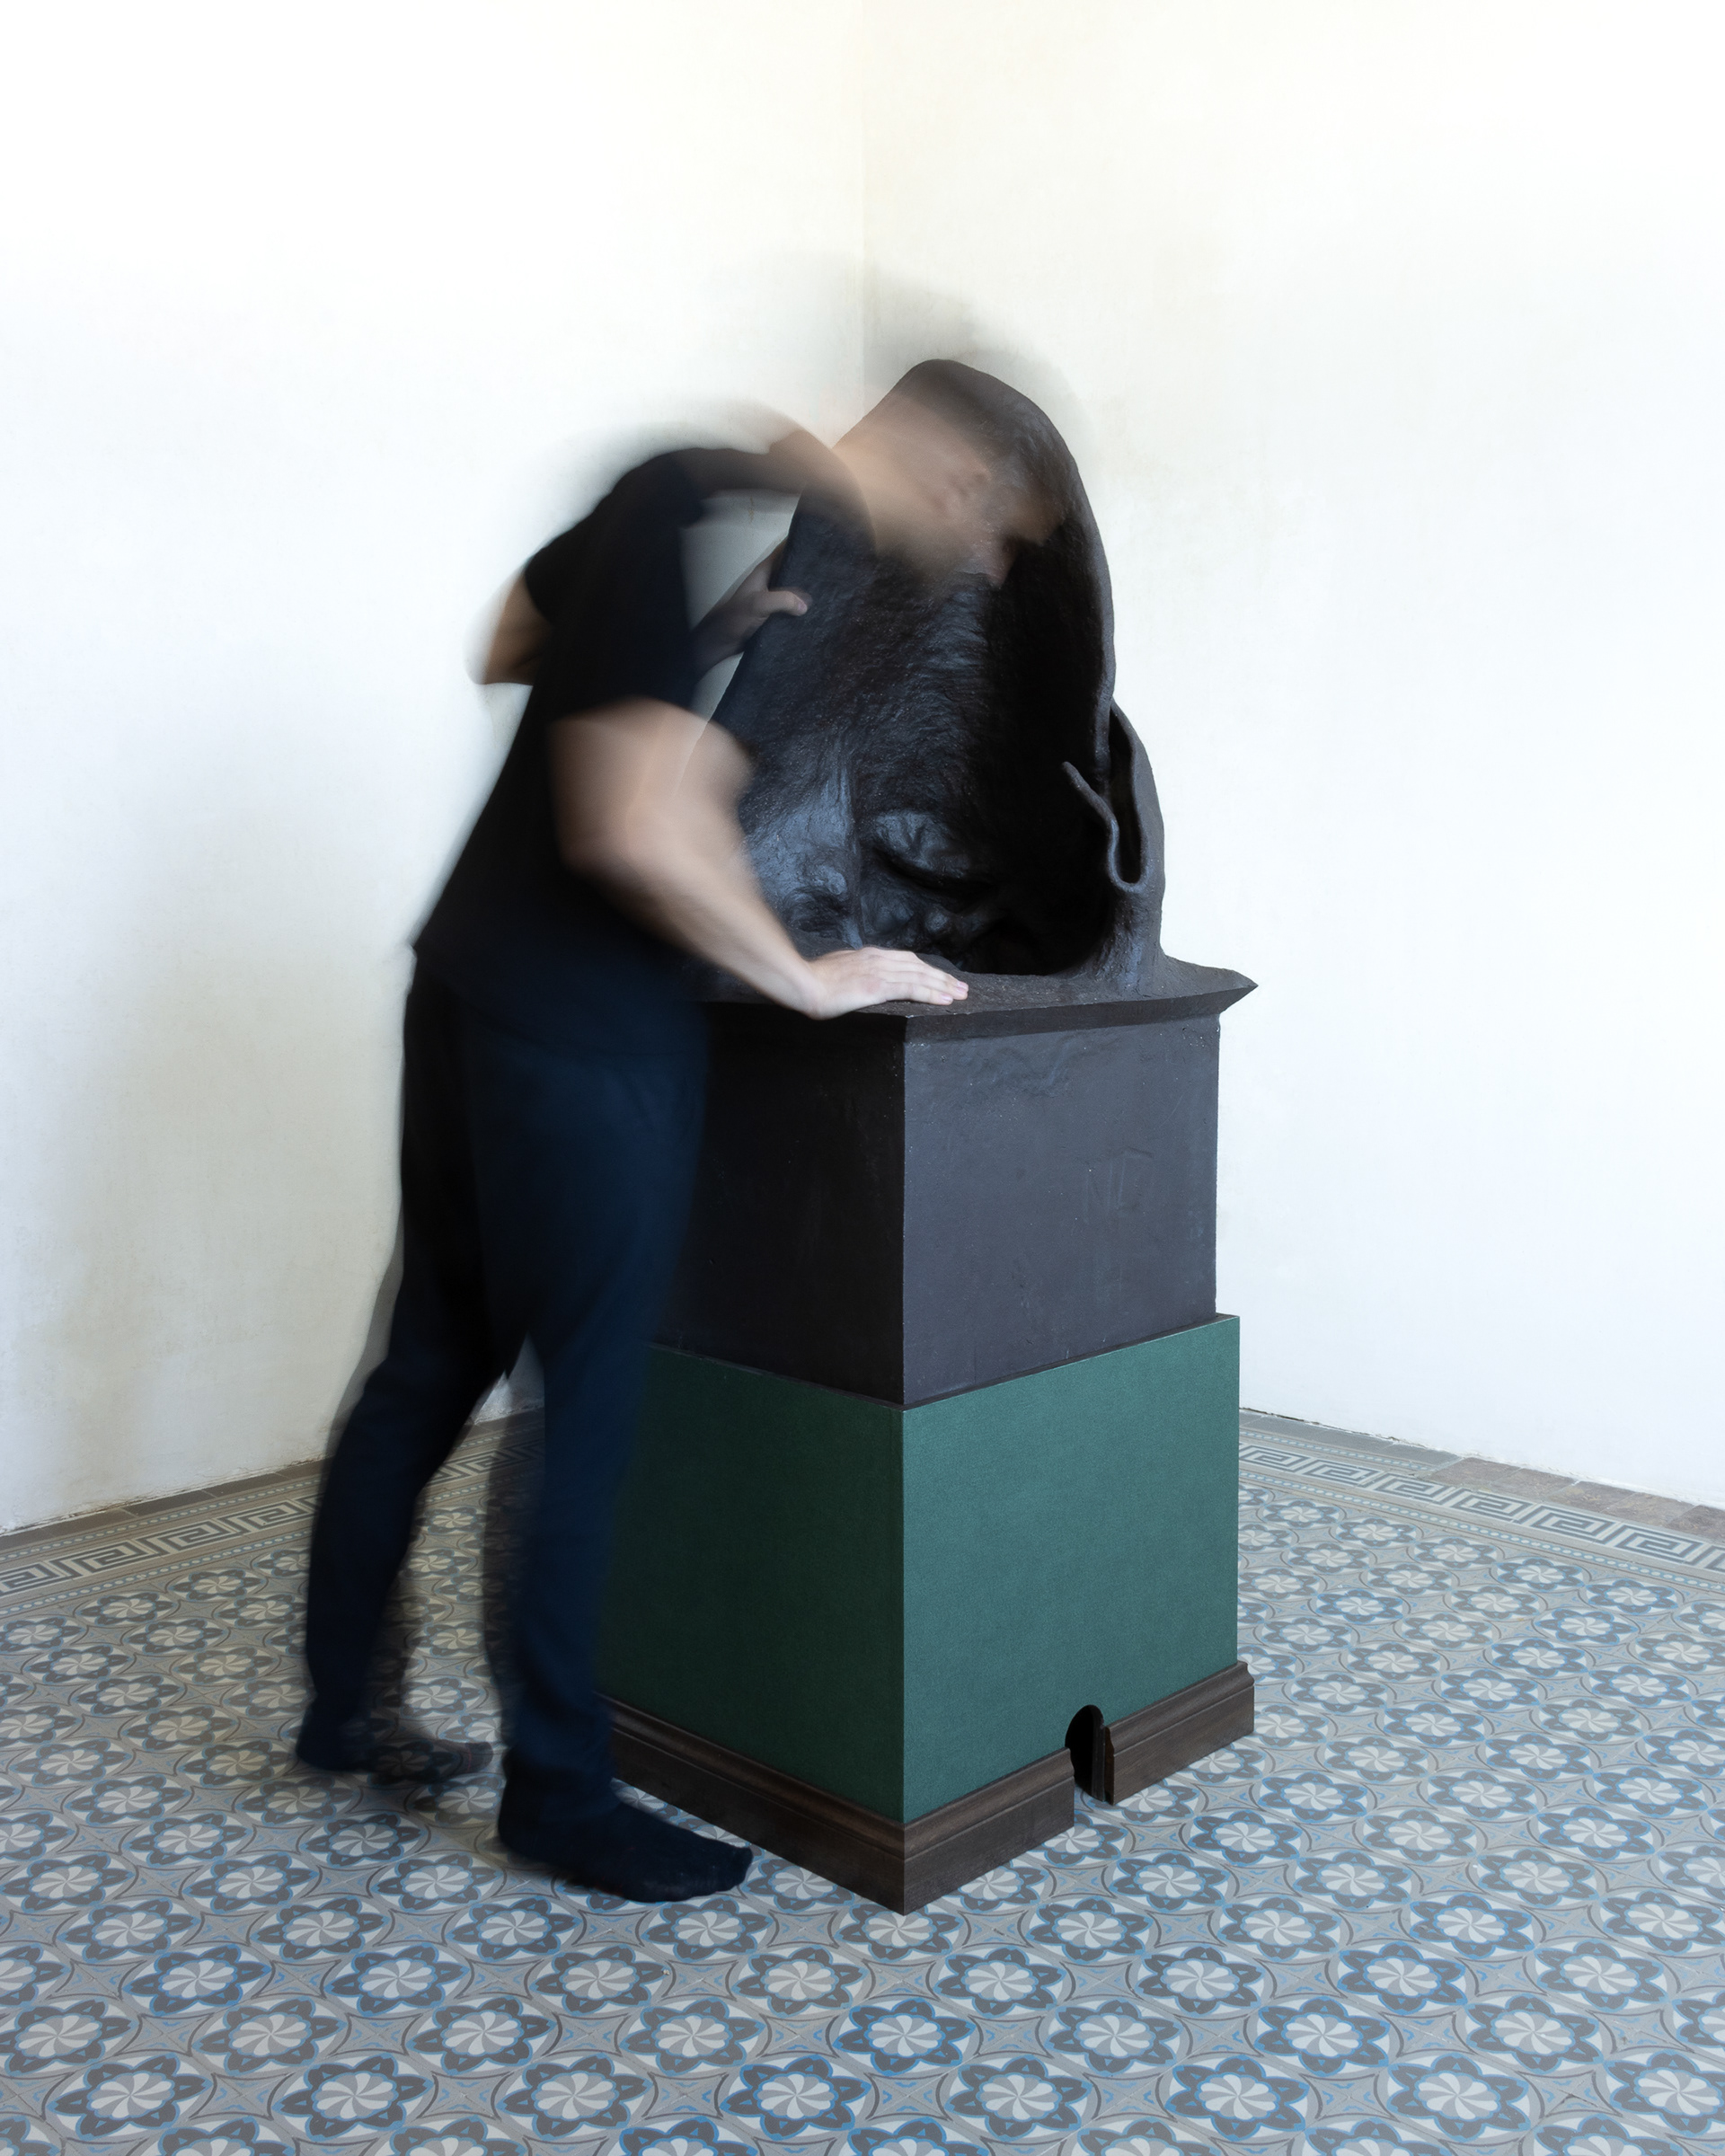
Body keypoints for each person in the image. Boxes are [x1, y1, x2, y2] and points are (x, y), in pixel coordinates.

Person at [298, 388, 1046, 1903]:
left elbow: (509, 644)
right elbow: (636, 824)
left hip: (468, 987)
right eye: (994, 532)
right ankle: (560, 1796)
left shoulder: (687, 488)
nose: (981, 566)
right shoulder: (721, 508)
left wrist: (688, 639)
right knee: (588, 1410)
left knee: (427, 1367)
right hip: (582, 1028)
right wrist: (806, 976)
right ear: (956, 474)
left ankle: (341, 1712)